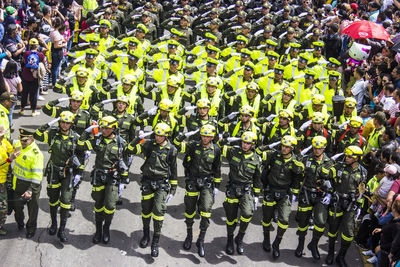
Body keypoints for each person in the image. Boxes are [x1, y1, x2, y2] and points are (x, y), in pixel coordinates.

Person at [124, 123, 178, 257]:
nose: (158, 137)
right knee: (146, 211)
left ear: (166, 135)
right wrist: (138, 138)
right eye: (156, 134)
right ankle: (146, 235)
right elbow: (129, 150)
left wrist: (173, 189)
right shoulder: (148, 144)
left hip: (162, 184)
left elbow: (174, 170)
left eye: (161, 135)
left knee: (159, 211)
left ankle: (155, 243)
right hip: (147, 182)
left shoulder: (171, 149)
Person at [77, 116, 130, 245]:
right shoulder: (97, 140)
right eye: (102, 128)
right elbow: (80, 146)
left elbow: (126, 161)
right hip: (99, 177)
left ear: (114, 128)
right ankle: (98, 230)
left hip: (113, 178)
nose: (104, 130)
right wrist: (85, 133)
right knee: (98, 204)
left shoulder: (120, 142)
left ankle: (106, 228)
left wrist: (123, 181)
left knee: (110, 205)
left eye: (107, 128)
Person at [34, 111, 84, 242]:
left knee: (66, 201)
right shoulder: (52, 134)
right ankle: (54, 224)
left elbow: (82, 155)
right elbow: (37, 135)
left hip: (68, 173)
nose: (65, 125)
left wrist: (79, 172)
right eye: (63, 122)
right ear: (59, 122)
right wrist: (47, 124)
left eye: (68, 123)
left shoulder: (76, 137)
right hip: (53, 172)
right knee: (53, 199)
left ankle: (62, 229)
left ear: (71, 124)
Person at [173, 124, 221, 257]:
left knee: (206, 211)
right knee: (189, 210)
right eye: (203, 135)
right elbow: (176, 143)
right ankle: (189, 235)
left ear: (212, 137)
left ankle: (201, 240)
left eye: (207, 136)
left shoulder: (216, 149)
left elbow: (217, 169)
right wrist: (185, 135)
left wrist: (216, 186)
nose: (205, 138)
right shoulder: (193, 145)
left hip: (207, 183)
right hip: (192, 181)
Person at [260, 135, 304, 259]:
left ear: (292, 148)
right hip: (270, 191)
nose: (284, 148)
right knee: (267, 218)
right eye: (283, 146)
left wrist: (294, 194)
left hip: (285, 194)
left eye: (287, 147)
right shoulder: (274, 155)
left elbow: (297, 178)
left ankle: (276, 244)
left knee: (284, 220)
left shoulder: (296, 161)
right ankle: (266, 239)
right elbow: (259, 154)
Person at [219, 131, 262, 255]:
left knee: (247, 214)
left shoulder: (256, 159)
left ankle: (240, 237)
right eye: (243, 142)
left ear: (253, 145)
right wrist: (225, 139)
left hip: (246, 190)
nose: (245, 145)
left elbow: (257, 179)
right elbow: (219, 146)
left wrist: (256, 196)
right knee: (231, 218)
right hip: (232, 188)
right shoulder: (233, 152)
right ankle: (230, 240)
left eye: (248, 143)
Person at [326, 146, 366, 266]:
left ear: (357, 159)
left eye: (350, 156)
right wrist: (331, 160)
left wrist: (359, 205)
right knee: (333, 230)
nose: (347, 158)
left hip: (351, 205)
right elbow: (325, 174)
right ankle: (330, 254)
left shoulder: (362, 171)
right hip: (337, 202)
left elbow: (362, 190)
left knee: (348, 233)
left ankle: (341, 257)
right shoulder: (339, 166)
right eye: (346, 156)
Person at [296, 136, 335, 259]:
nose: (317, 150)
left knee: (321, 222)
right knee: (303, 222)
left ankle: (314, 244)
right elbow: (298, 173)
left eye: (319, 148)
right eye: (315, 148)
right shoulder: (306, 159)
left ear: (324, 148)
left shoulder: (330, 162)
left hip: (321, 196)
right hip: (307, 193)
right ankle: (300, 245)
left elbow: (333, 181)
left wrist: (329, 194)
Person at [12, 129, 44, 238]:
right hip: (18, 185)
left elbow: (37, 176)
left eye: (25, 140)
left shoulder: (36, 154)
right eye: (21, 139)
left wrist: (30, 190)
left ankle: (31, 228)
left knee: (32, 210)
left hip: (31, 186)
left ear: (32, 139)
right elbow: (10, 141)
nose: (22, 142)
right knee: (17, 207)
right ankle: (20, 222)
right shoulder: (19, 144)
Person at [0, 125, 19, 235]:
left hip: (5, 178)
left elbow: (11, 148)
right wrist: (9, 159)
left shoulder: (4, 142)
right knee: (3, 206)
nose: (2, 137)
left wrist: (19, 148)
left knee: (4, 205)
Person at [20, 38, 45, 116]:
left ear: (30, 46)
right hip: (35, 76)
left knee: (24, 93)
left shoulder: (26, 53)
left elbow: (24, 61)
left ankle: (22, 109)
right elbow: (43, 63)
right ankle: (33, 111)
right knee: (33, 94)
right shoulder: (40, 55)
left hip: (26, 74)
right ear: (37, 46)